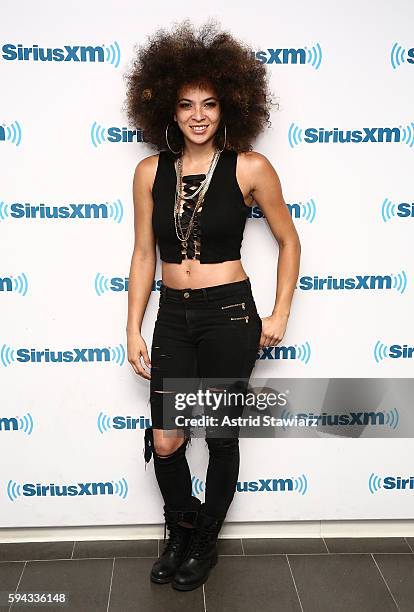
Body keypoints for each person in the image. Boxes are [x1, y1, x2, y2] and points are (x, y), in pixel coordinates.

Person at [123, 18, 301, 591]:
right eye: (185, 104)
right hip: (174, 314)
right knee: (167, 436)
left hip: (229, 313)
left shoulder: (250, 167)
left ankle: (205, 542)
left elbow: (289, 240)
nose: (198, 115)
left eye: (210, 104)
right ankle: (181, 527)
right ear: (168, 112)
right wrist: (134, 328)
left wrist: (278, 314)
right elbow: (144, 255)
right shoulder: (150, 172)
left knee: (220, 435)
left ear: (228, 109)